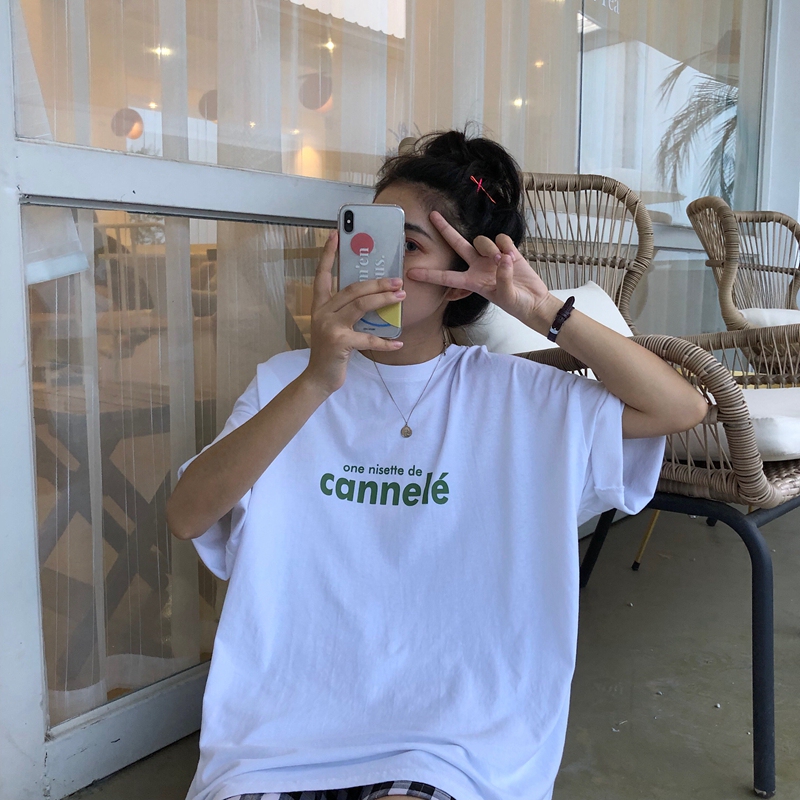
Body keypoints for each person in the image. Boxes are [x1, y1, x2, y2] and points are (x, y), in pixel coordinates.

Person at [166, 130, 707, 800]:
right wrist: (317, 380)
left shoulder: (515, 396)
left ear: (461, 276)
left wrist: (539, 309)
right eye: (368, 237)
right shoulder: (286, 381)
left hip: (446, 743)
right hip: (279, 736)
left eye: (409, 244)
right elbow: (187, 515)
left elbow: (680, 407)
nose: (374, 262)